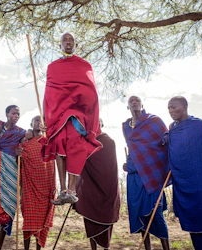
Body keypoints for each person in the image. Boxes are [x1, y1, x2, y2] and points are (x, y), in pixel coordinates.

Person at [41, 32, 102, 205]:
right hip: (58, 115)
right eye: (64, 40)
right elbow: (49, 94)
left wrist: (89, 114)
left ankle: (72, 189)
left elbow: (91, 92)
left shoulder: (84, 65)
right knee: (59, 144)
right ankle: (62, 190)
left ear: (76, 45)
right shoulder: (53, 67)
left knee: (76, 145)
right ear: (59, 45)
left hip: (77, 115)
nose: (68, 43)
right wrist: (46, 118)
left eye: (71, 40)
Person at [165, 96, 202, 250]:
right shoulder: (172, 129)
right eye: (168, 108)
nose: (170, 111)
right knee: (194, 223)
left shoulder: (199, 125)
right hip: (184, 183)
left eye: (174, 107)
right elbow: (173, 152)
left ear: (184, 106)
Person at [122, 96, 170, 250]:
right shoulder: (126, 126)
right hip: (134, 175)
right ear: (128, 106)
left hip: (151, 174)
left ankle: (166, 248)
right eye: (131, 101)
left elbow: (166, 142)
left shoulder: (154, 121)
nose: (134, 103)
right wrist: (128, 163)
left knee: (156, 213)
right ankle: (147, 248)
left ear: (143, 104)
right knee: (139, 212)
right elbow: (133, 149)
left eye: (137, 100)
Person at [75, 120, 120, 250]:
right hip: (89, 188)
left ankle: (106, 247)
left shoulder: (108, 142)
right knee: (89, 218)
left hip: (107, 188)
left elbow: (110, 168)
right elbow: (77, 160)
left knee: (106, 217)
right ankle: (93, 248)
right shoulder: (84, 142)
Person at [15, 115, 56, 250]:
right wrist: (18, 154)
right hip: (30, 189)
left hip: (45, 187)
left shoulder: (48, 141)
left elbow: (52, 162)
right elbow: (19, 165)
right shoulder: (25, 144)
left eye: (41, 121)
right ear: (31, 124)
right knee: (28, 222)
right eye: (36, 120)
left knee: (42, 223)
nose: (39, 123)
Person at [0, 105, 26, 250]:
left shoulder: (20, 132)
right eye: (13, 113)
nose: (16, 116)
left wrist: (20, 154)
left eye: (18, 114)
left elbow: (23, 151)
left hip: (11, 172)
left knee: (8, 211)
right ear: (7, 114)